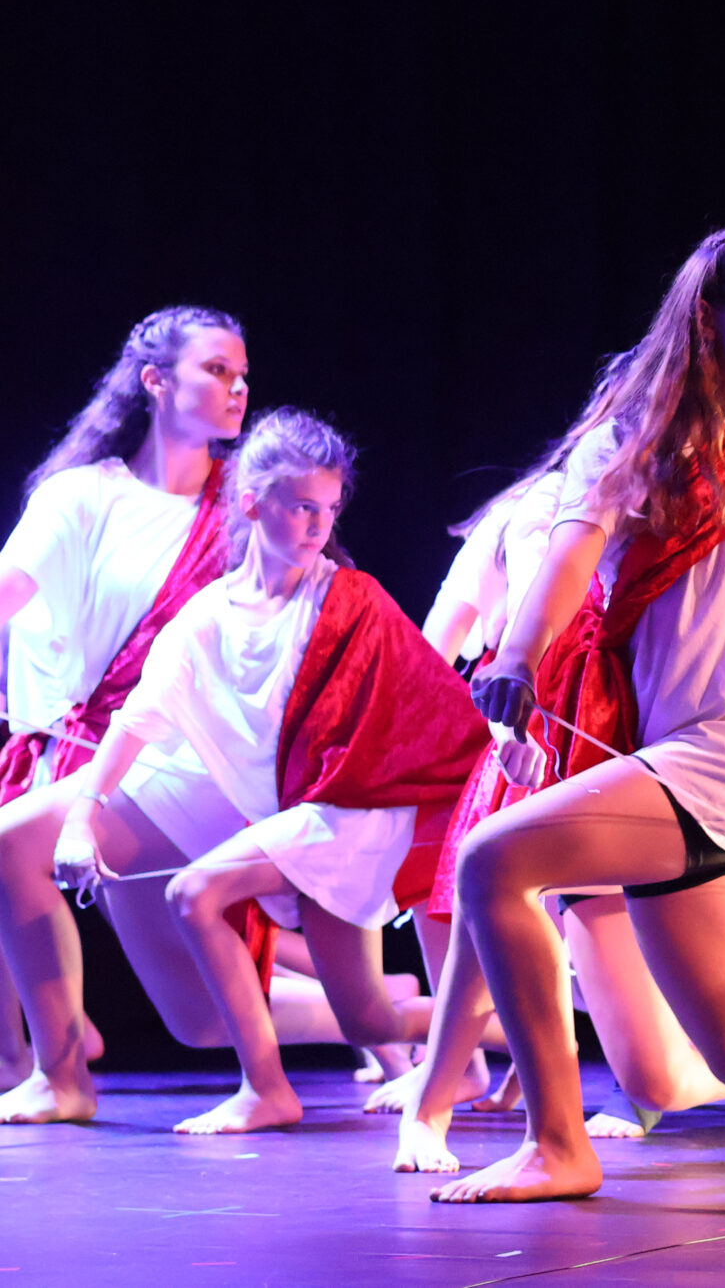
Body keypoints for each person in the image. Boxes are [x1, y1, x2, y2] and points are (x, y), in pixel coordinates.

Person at [414, 228, 725, 1202]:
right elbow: (569, 558)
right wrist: (516, 656)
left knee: (492, 861)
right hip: (667, 753)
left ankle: (557, 1145)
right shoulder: (624, 446)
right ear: (705, 319)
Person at [41, 408, 486, 1132]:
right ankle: (505, 1032)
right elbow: (137, 720)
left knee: (194, 892)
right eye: (303, 506)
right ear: (252, 503)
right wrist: (82, 817)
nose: (318, 525)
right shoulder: (207, 616)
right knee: (368, 1016)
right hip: (308, 819)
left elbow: (430, 707)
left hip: (356, 813)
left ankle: (267, 1090)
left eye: (329, 509)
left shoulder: (349, 598)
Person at [0, 306, 248, 1114]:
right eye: (217, 369)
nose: (237, 387)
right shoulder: (83, 496)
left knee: (10, 846)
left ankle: (59, 1072)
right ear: (155, 381)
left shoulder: (246, 508)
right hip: (99, 762)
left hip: (191, 765)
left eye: (242, 374)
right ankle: (423, 1023)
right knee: (200, 1016)